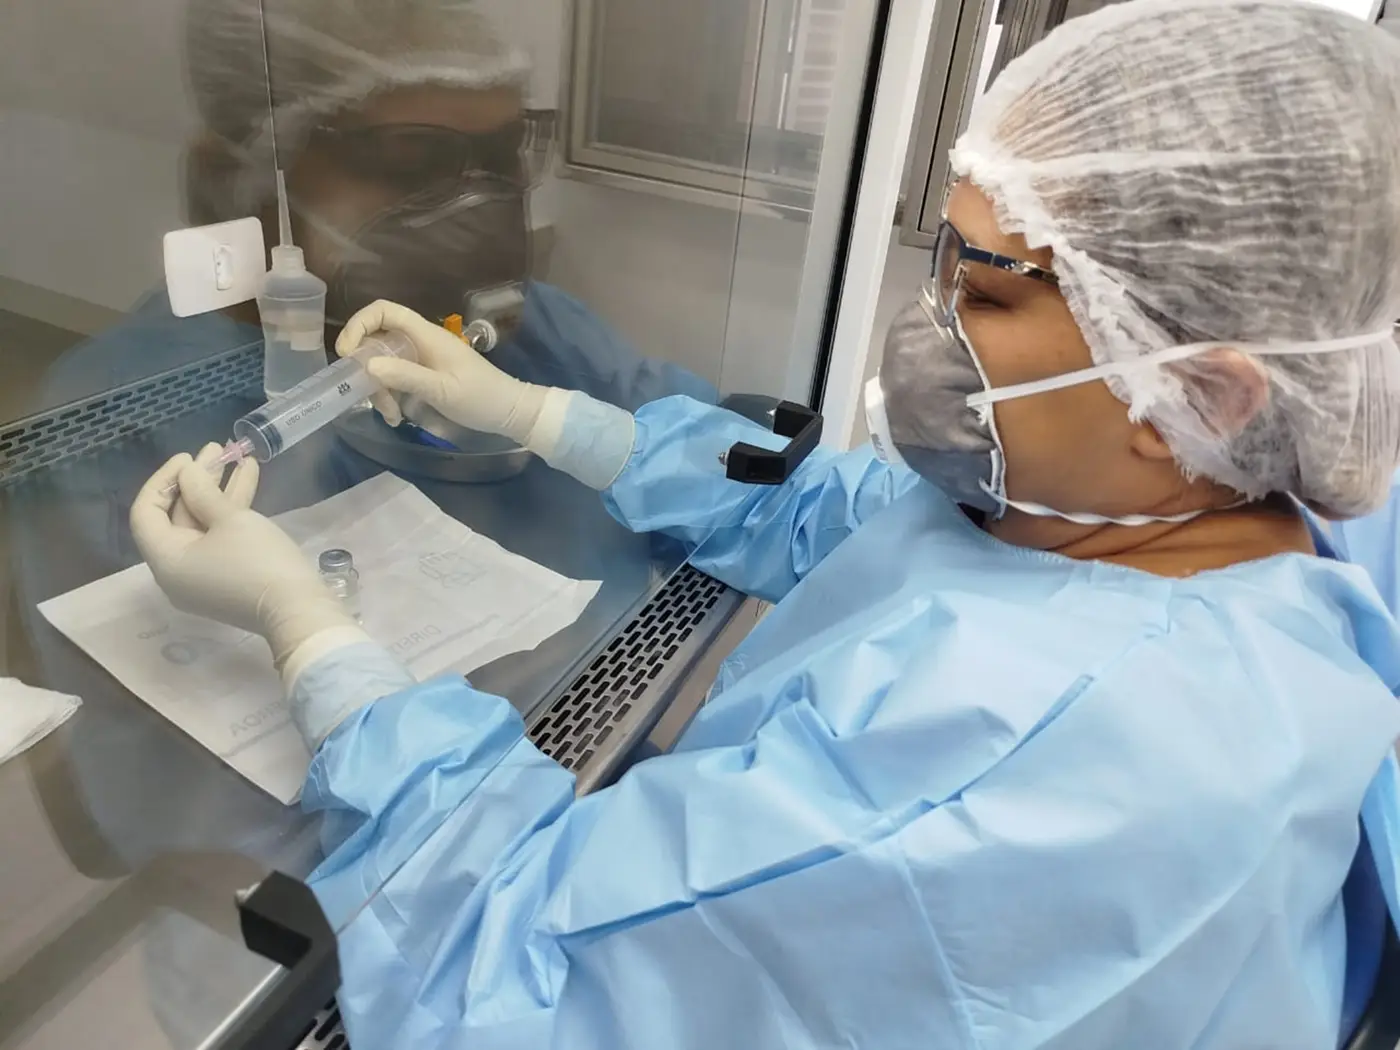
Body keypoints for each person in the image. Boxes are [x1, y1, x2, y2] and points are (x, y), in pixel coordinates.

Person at [130, 1, 1400, 1047]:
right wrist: (531, 413)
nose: (926, 321)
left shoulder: (1027, 769)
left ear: (1196, 395)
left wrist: (306, 630)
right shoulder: (1194, 518)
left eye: (983, 290)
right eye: (940, 260)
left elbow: (502, 961)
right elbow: (838, 519)